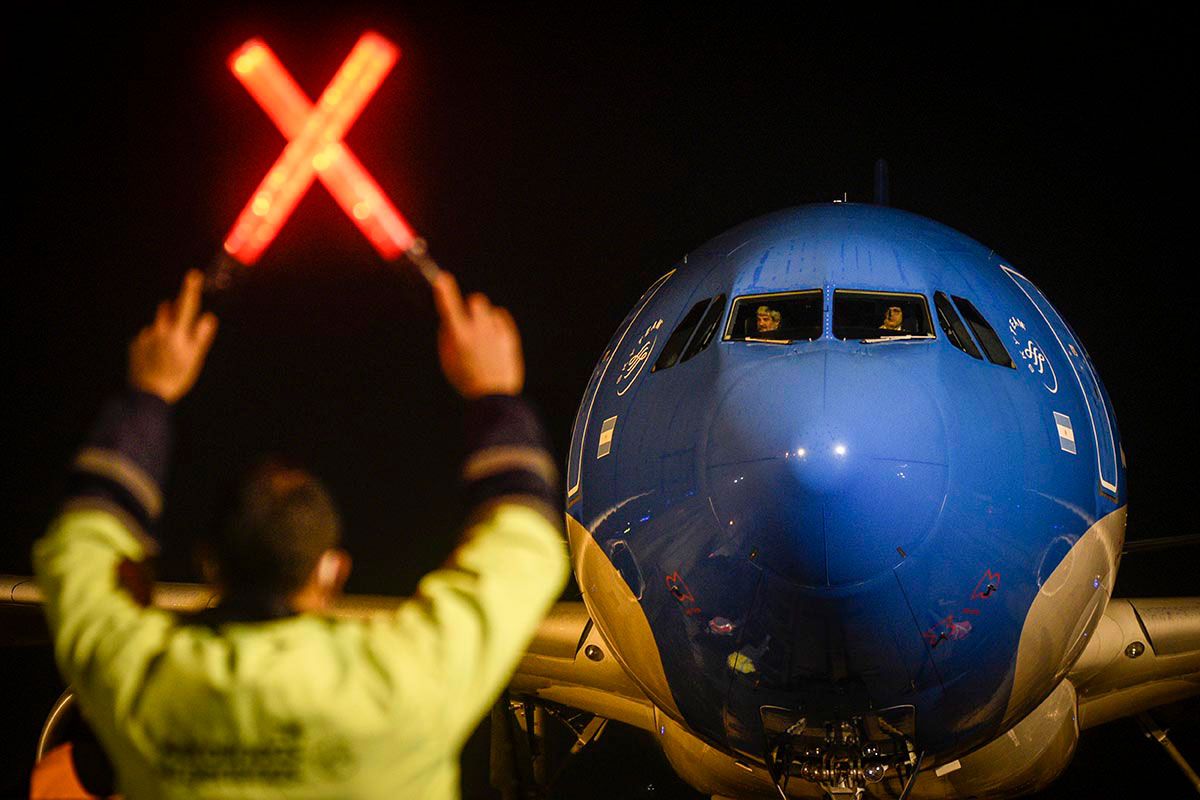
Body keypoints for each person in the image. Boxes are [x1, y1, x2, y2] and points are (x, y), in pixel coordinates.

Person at [33, 269, 569, 798]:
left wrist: (149, 391)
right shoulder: (405, 683)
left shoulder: (143, 683)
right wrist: (493, 389)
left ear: (209, 563)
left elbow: (79, 544)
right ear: (332, 569)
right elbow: (523, 545)